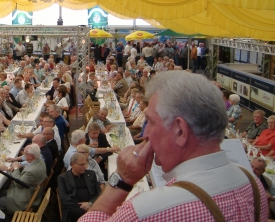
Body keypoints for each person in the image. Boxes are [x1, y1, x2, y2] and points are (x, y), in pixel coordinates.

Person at [79, 71, 268, 222]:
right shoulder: (252, 181)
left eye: (152, 122)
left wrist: (122, 180)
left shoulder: (151, 210)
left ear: (180, 131)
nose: (146, 134)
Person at [0, 144, 47, 217]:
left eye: (25, 153)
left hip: (22, 199)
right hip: (28, 190)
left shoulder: (32, 171)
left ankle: (5, 218)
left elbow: (19, 183)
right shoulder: (39, 161)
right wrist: (10, 168)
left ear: (30, 156)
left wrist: (16, 168)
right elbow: (27, 168)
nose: (23, 154)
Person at [58, 153, 102, 222]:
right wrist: (82, 206)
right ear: (73, 164)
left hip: (91, 204)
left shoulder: (91, 174)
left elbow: (99, 192)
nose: (85, 167)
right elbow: (64, 198)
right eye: (82, 165)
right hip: (73, 207)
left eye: (85, 164)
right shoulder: (63, 178)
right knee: (84, 213)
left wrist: (90, 203)